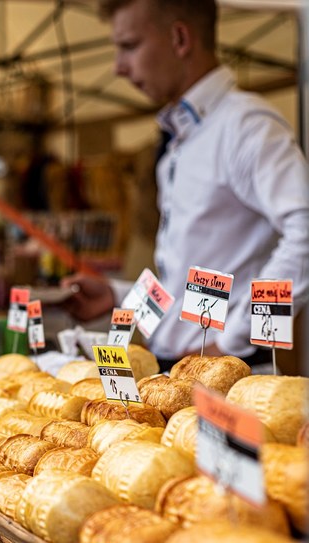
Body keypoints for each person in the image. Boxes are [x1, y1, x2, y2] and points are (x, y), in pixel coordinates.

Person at [62, 0, 309, 370]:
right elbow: (181, 283)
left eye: (129, 46)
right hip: (175, 371)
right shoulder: (180, 141)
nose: (118, 67)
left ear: (179, 38)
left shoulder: (247, 125)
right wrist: (117, 296)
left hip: (232, 380)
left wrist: (232, 342)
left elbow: (305, 232)